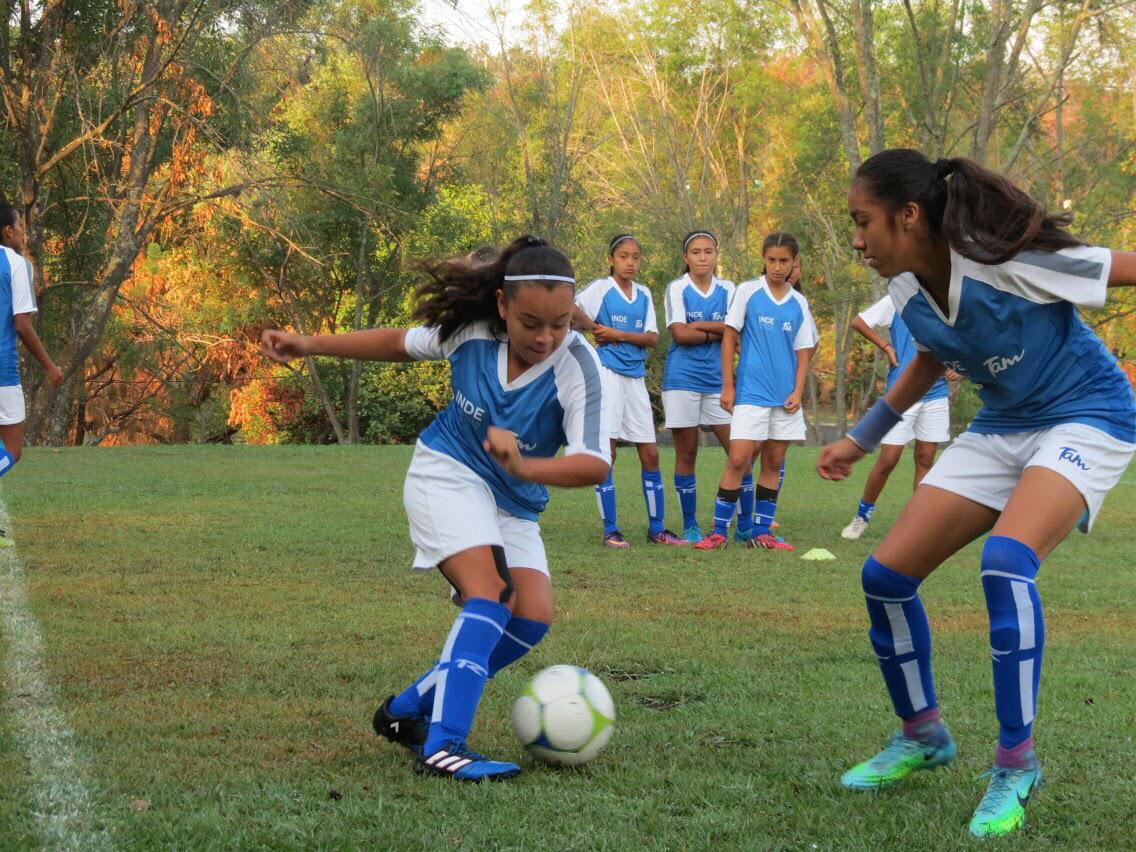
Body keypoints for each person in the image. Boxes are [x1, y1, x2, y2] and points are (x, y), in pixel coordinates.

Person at [817, 148, 1136, 837]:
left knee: (1007, 562)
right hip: (1003, 424)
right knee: (885, 576)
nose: (857, 238)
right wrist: (861, 438)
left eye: (863, 220)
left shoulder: (1007, 260)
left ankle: (1016, 764)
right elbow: (931, 353)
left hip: (1088, 414)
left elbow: (1126, 268)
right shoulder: (906, 283)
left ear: (909, 216)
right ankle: (923, 735)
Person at [262, 236, 610, 782]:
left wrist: (524, 468)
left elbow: (594, 464)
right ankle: (444, 744)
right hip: (445, 473)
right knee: (492, 593)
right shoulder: (470, 335)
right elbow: (398, 343)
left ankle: (403, 712)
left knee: (532, 615)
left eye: (560, 324)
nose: (545, 337)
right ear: (501, 307)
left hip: (513, 501)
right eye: (530, 323)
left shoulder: (580, 367)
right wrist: (309, 344)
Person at [694, 232, 817, 551]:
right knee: (738, 459)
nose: (777, 267)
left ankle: (760, 533)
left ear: (794, 263)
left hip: (785, 398)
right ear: (763, 259)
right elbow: (728, 338)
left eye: (784, 261)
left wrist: (799, 390)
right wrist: (728, 385)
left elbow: (804, 350)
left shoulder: (799, 302)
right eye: (771, 260)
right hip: (751, 394)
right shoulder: (748, 292)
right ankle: (718, 531)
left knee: (774, 462)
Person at [573, 234, 686, 548]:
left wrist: (615, 334)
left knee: (649, 453)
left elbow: (651, 338)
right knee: (607, 453)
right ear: (611, 259)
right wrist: (595, 329)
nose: (630, 262)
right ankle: (611, 531)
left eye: (636, 257)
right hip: (607, 375)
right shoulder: (601, 289)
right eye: (624, 256)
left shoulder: (644, 294)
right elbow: (569, 309)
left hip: (635, 379)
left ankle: (657, 529)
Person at [839, 294, 957, 540]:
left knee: (925, 459)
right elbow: (858, 322)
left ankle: (920, 524)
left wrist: (957, 365)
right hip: (901, 392)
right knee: (888, 459)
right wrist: (886, 346)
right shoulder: (899, 296)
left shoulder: (948, 297)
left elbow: (962, 336)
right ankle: (862, 517)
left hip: (935, 393)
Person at [661, 231, 738, 543]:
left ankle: (742, 522)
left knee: (738, 452)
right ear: (686, 257)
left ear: (716, 255)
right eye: (695, 252)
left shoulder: (730, 289)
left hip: (720, 380)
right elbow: (680, 335)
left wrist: (702, 326)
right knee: (687, 452)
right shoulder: (677, 288)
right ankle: (690, 524)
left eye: (708, 251)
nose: (702, 257)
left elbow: (737, 327)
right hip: (682, 379)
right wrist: (718, 333)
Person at [0, 202, 64, 534]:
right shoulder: (16, 264)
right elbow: (22, 325)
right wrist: (51, 367)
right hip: (2, 370)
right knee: (12, 449)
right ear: (8, 231)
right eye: (20, 227)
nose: (23, 233)